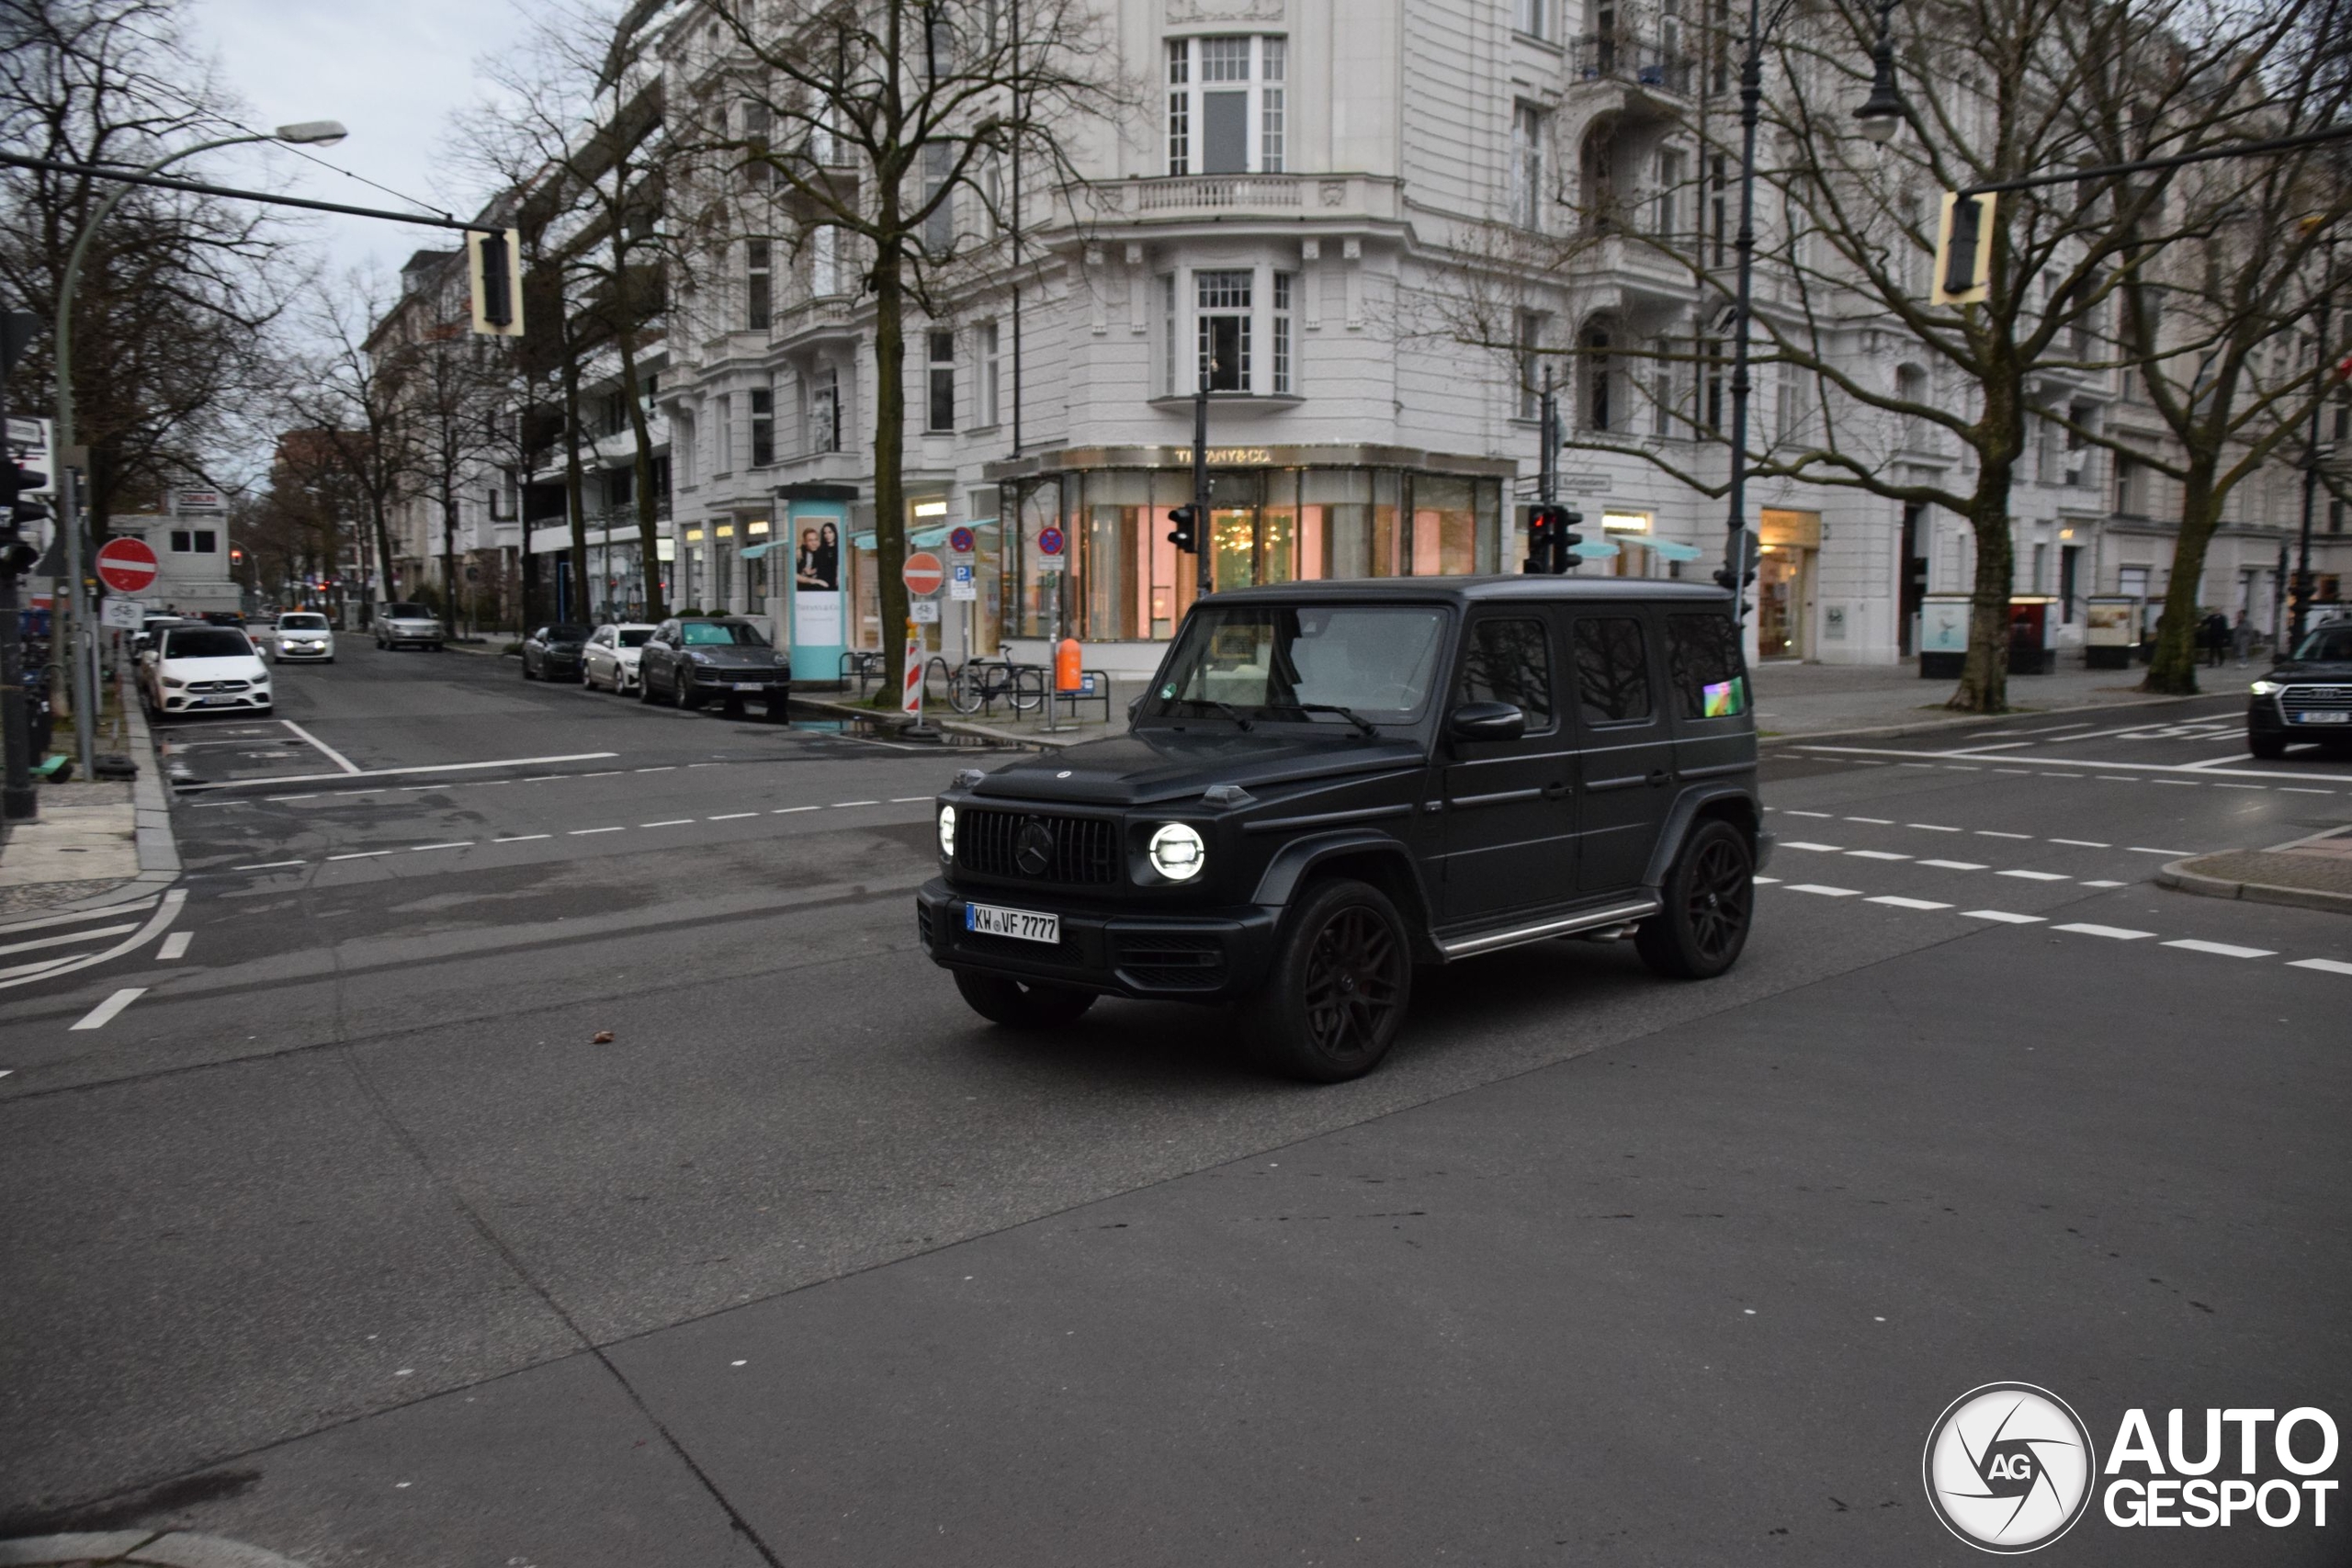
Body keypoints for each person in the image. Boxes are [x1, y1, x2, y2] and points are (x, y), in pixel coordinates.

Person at [794, 526, 822, 591]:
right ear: (804, 542)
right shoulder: (799, 552)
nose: (814, 543)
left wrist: (813, 571)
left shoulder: (820, 551)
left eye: (816, 539)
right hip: (801, 588)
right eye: (810, 540)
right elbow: (793, 575)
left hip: (816, 587)